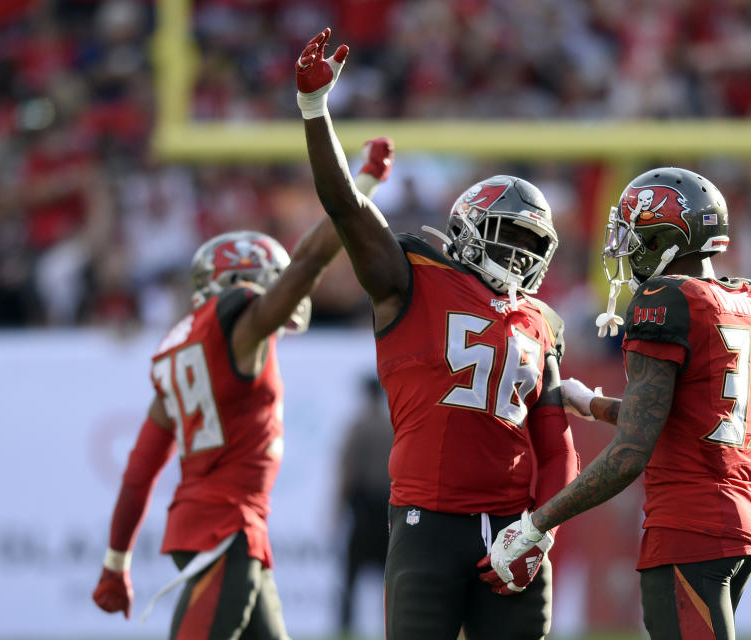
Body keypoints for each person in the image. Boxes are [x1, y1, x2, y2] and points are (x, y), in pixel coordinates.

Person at [295, 28, 579, 640]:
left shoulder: (539, 321)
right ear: (471, 229)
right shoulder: (413, 276)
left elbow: (556, 447)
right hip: (429, 520)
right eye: (511, 235)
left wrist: (541, 531)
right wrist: (317, 114)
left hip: (514, 528)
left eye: (534, 245)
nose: (522, 254)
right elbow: (345, 206)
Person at [90, 138, 395, 639]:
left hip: (216, 528)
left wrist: (115, 561)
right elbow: (309, 261)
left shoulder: (177, 351)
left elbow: (139, 471)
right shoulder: (242, 329)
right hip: (223, 532)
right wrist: (359, 188)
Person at [490, 167, 751, 640]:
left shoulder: (666, 298)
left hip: (687, 527)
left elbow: (630, 455)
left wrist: (536, 525)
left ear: (666, 235)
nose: (624, 245)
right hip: (738, 527)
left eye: (634, 231)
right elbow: (680, 418)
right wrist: (593, 404)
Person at [337, 373, 393, 637]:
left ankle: (346, 628)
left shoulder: (359, 427)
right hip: (388, 511)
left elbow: (347, 472)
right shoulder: (390, 426)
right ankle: (391, 626)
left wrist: (337, 509)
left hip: (363, 512)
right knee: (390, 579)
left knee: (350, 578)